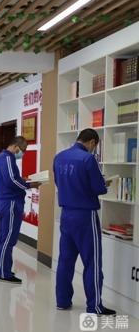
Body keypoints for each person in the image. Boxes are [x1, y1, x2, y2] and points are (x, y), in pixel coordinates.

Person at [54, 129, 115, 315]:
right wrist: (105, 184)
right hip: (85, 216)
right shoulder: (88, 159)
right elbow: (99, 188)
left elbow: (59, 183)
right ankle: (94, 306)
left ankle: (62, 301)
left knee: (65, 260)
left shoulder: (59, 157)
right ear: (92, 142)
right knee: (92, 262)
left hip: (66, 214)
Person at [0, 136, 41, 283]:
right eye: (23, 150)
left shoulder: (1, 157)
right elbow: (11, 181)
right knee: (8, 239)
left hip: (5, 203)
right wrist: (30, 185)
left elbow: (12, 178)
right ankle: (4, 273)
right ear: (15, 147)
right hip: (10, 203)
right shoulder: (8, 158)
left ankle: (1, 269)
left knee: (3, 238)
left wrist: (23, 180)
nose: (23, 153)